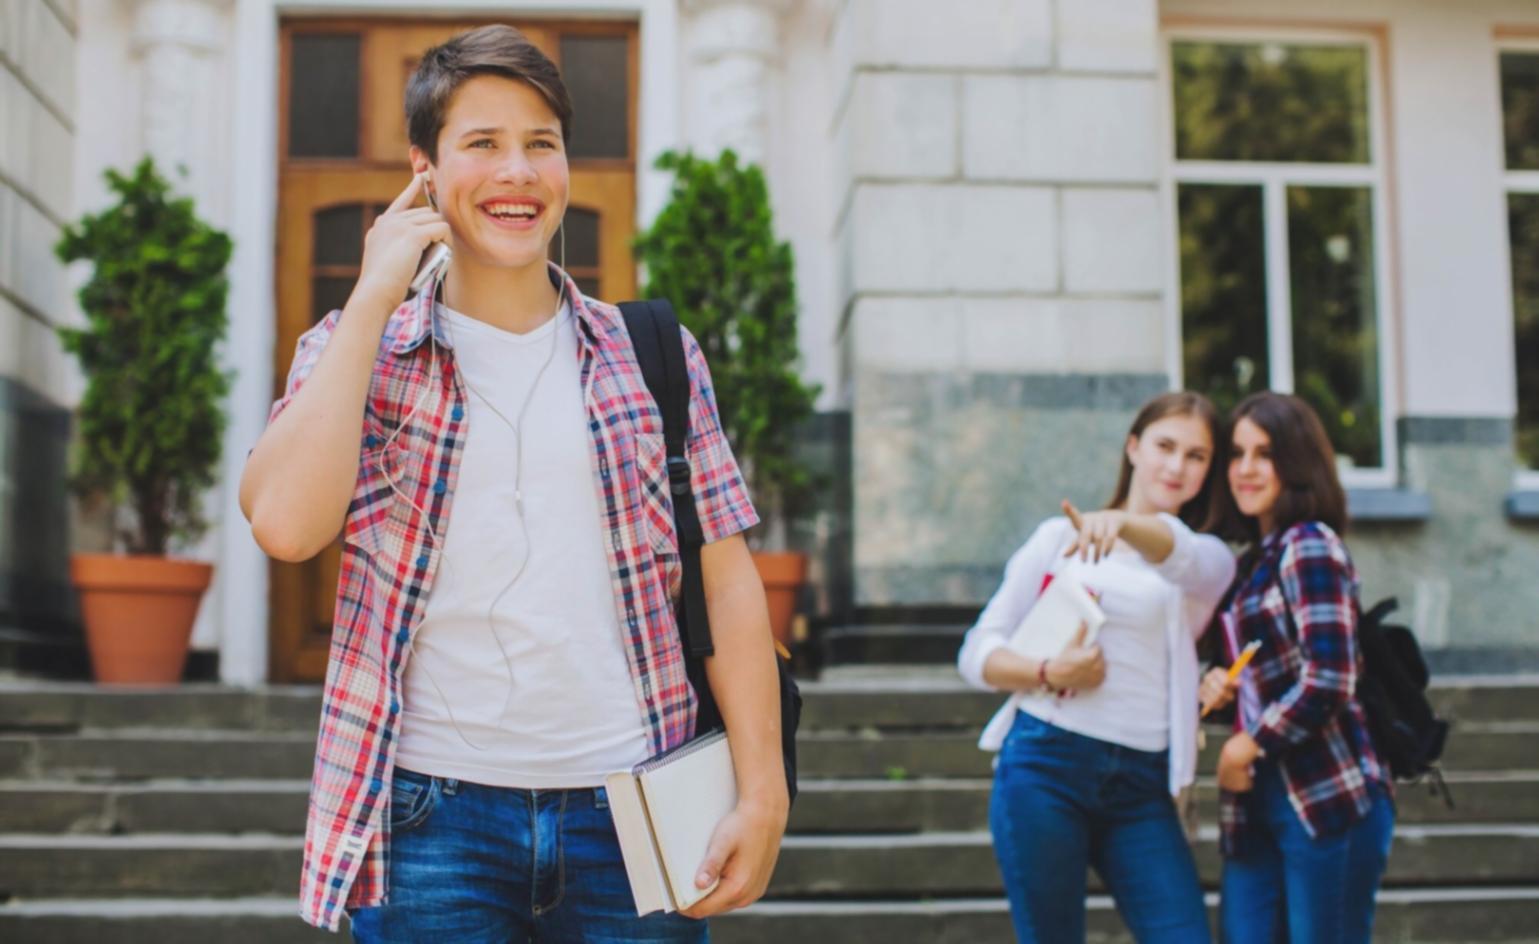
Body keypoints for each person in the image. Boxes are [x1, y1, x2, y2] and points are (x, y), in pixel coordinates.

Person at [240, 25, 787, 940]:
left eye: (542, 143)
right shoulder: (363, 352)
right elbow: (288, 528)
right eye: (483, 144)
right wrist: (377, 294)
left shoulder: (649, 352)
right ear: (423, 170)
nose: (519, 172)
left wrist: (762, 791)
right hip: (429, 821)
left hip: (635, 813)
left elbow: (725, 580)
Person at [957, 392, 1237, 943]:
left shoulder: (1205, 560)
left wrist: (1124, 525)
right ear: (1133, 447)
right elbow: (976, 652)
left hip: (1143, 786)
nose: (1177, 466)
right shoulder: (1058, 539)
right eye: (1164, 446)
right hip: (1046, 764)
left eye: (1197, 456)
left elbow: (1181, 554)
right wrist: (1047, 671)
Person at [1199, 391, 1394, 944]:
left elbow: (1330, 677)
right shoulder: (1251, 562)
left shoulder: (1310, 545)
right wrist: (1220, 688)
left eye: (1265, 453)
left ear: (1298, 461)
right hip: (1257, 799)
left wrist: (1246, 744)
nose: (1246, 469)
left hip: (1326, 793)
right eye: (1236, 454)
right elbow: (1268, 677)